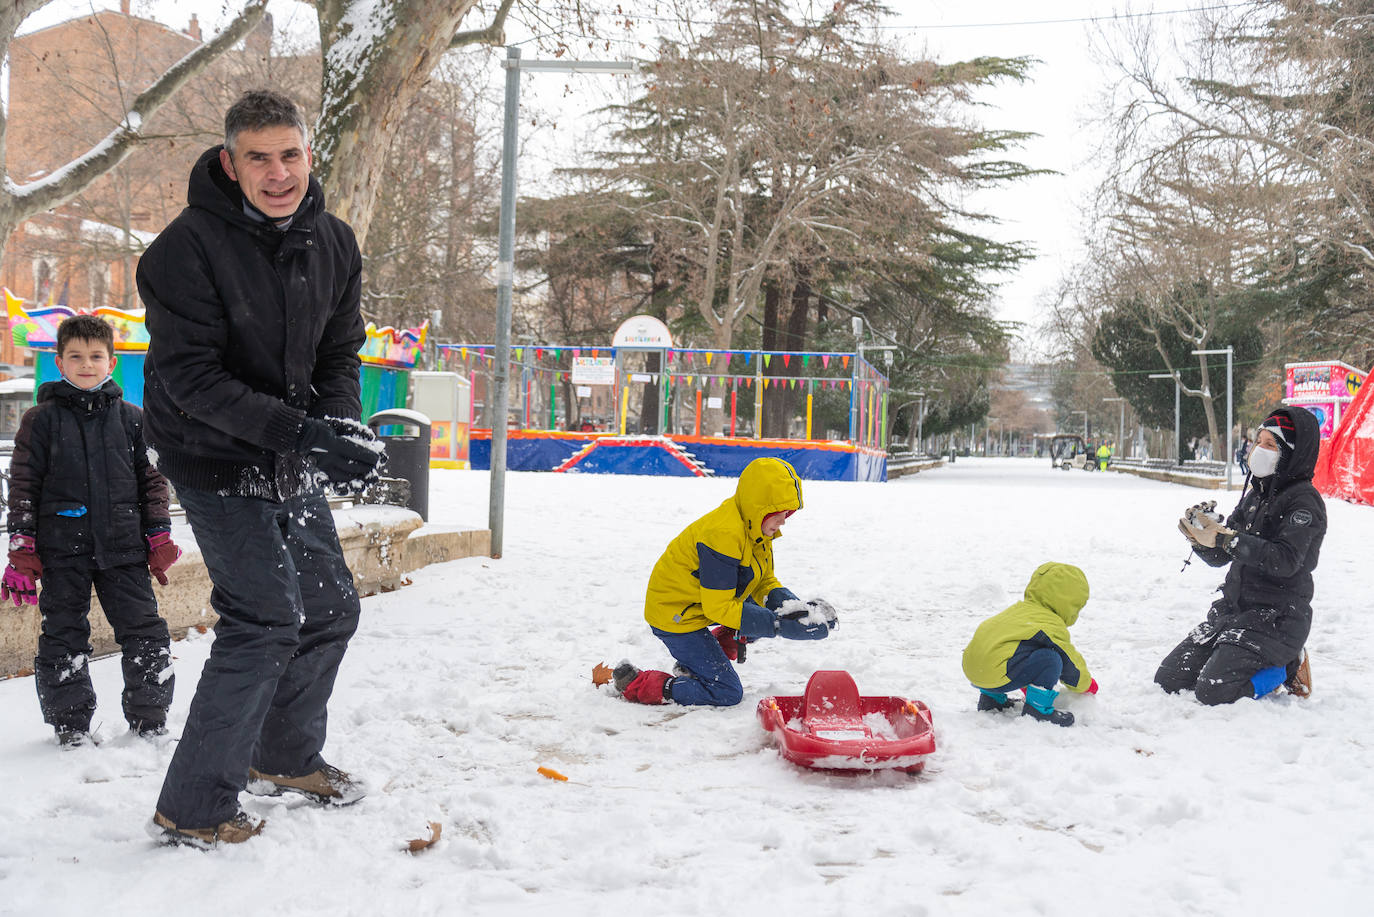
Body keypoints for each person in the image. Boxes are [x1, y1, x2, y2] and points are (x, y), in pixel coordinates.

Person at [136, 90, 386, 847]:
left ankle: (281, 754)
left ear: (310, 155)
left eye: (289, 154)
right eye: (258, 157)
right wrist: (304, 434)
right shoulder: (183, 251)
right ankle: (194, 803)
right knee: (266, 618)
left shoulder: (333, 241)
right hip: (212, 455)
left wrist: (338, 427)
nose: (277, 173)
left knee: (330, 607)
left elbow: (340, 352)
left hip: (290, 447)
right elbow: (192, 380)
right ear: (230, 162)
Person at [4, 315, 181, 746]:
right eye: (76, 357)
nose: (87, 364)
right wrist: (22, 547)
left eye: (95, 356)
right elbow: (24, 486)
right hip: (62, 549)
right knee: (63, 634)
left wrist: (158, 533)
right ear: (60, 363)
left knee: (146, 632)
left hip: (123, 549)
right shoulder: (40, 421)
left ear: (111, 362)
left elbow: (152, 482)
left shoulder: (132, 420)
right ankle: (71, 726)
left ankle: (149, 720)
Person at [612, 457, 837, 707]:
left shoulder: (755, 526)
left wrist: (794, 610)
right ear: (759, 507)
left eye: (788, 513)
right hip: (675, 614)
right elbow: (718, 608)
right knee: (726, 692)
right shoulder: (723, 536)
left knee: (760, 615)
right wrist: (779, 625)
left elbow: (764, 582)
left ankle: (709, 653)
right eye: (779, 513)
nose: (784, 521)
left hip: (704, 601)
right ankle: (638, 683)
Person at [1157, 407, 1324, 705]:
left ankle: (1287, 667)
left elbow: (1285, 560)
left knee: (1214, 691)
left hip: (1277, 618)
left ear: (1291, 453)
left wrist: (1228, 539)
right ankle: (1259, 658)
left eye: (1271, 444)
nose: (1260, 449)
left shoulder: (1304, 501)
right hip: (1234, 611)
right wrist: (1200, 538)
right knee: (1169, 679)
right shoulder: (1255, 495)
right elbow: (1220, 556)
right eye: (1259, 441)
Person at [961, 561, 1098, 727]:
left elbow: (1018, 653)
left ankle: (991, 700)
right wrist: (1085, 684)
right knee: (1052, 658)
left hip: (973, 669)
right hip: (996, 672)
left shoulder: (1018, 611)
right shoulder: (1050, 623)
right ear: (1070, 604)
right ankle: (1038, 710)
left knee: (1007, 651)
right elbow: (1069, 662)